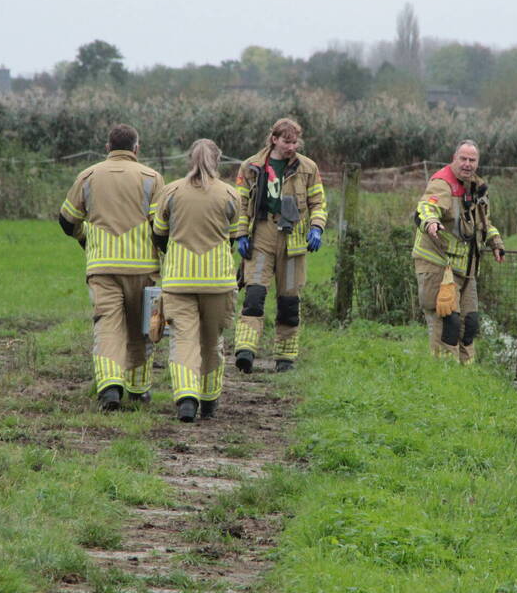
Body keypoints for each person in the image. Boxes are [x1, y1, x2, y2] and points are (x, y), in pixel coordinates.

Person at [58, 124, 164, 411]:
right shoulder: (152, 178)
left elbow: (67, 220)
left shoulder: (88, 176)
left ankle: (109, 388)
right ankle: (139, 389)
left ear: (107, 147)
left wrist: (86, 238)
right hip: (144, 268)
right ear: (136, 148)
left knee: (107, 326)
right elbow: (161, 227)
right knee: (142, 329)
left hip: (103, 267)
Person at [151, 139, 241, 422]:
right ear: (219, 159)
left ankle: (186, 398)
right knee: (212, 342)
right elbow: (235, 237)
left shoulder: (171, 192)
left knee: (184, 340)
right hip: (219, 282)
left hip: (179, 281)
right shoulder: (230, 194)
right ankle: (209, 399)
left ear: (190, 159)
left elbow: (159, 234)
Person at [233, 118, 327, 373]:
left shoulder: (308, 167)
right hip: (262, 234)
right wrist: (241, 234)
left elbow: (318, 202)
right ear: (274, 139)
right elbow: (241, 205)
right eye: (287, 141)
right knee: (254, 295)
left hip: (293, 240)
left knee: (289, 301)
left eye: (295, 141)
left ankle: (285, 358)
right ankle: (245, 350)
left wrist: (316, 228)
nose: (291, 147)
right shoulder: (251, 166)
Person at [412, 139, 505, 364]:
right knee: (447, 322)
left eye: (472, 160)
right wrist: (431, 222)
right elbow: (426, 207)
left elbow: (483, 223)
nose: (467, 164)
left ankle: (466, 376)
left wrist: (495, 241)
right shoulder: (442, 183)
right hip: (438, 265)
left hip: (467, 268)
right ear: (454, 159)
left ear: (477, 163)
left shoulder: (477, 188)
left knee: (470, 323)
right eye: (463, 159)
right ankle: (443, 374)